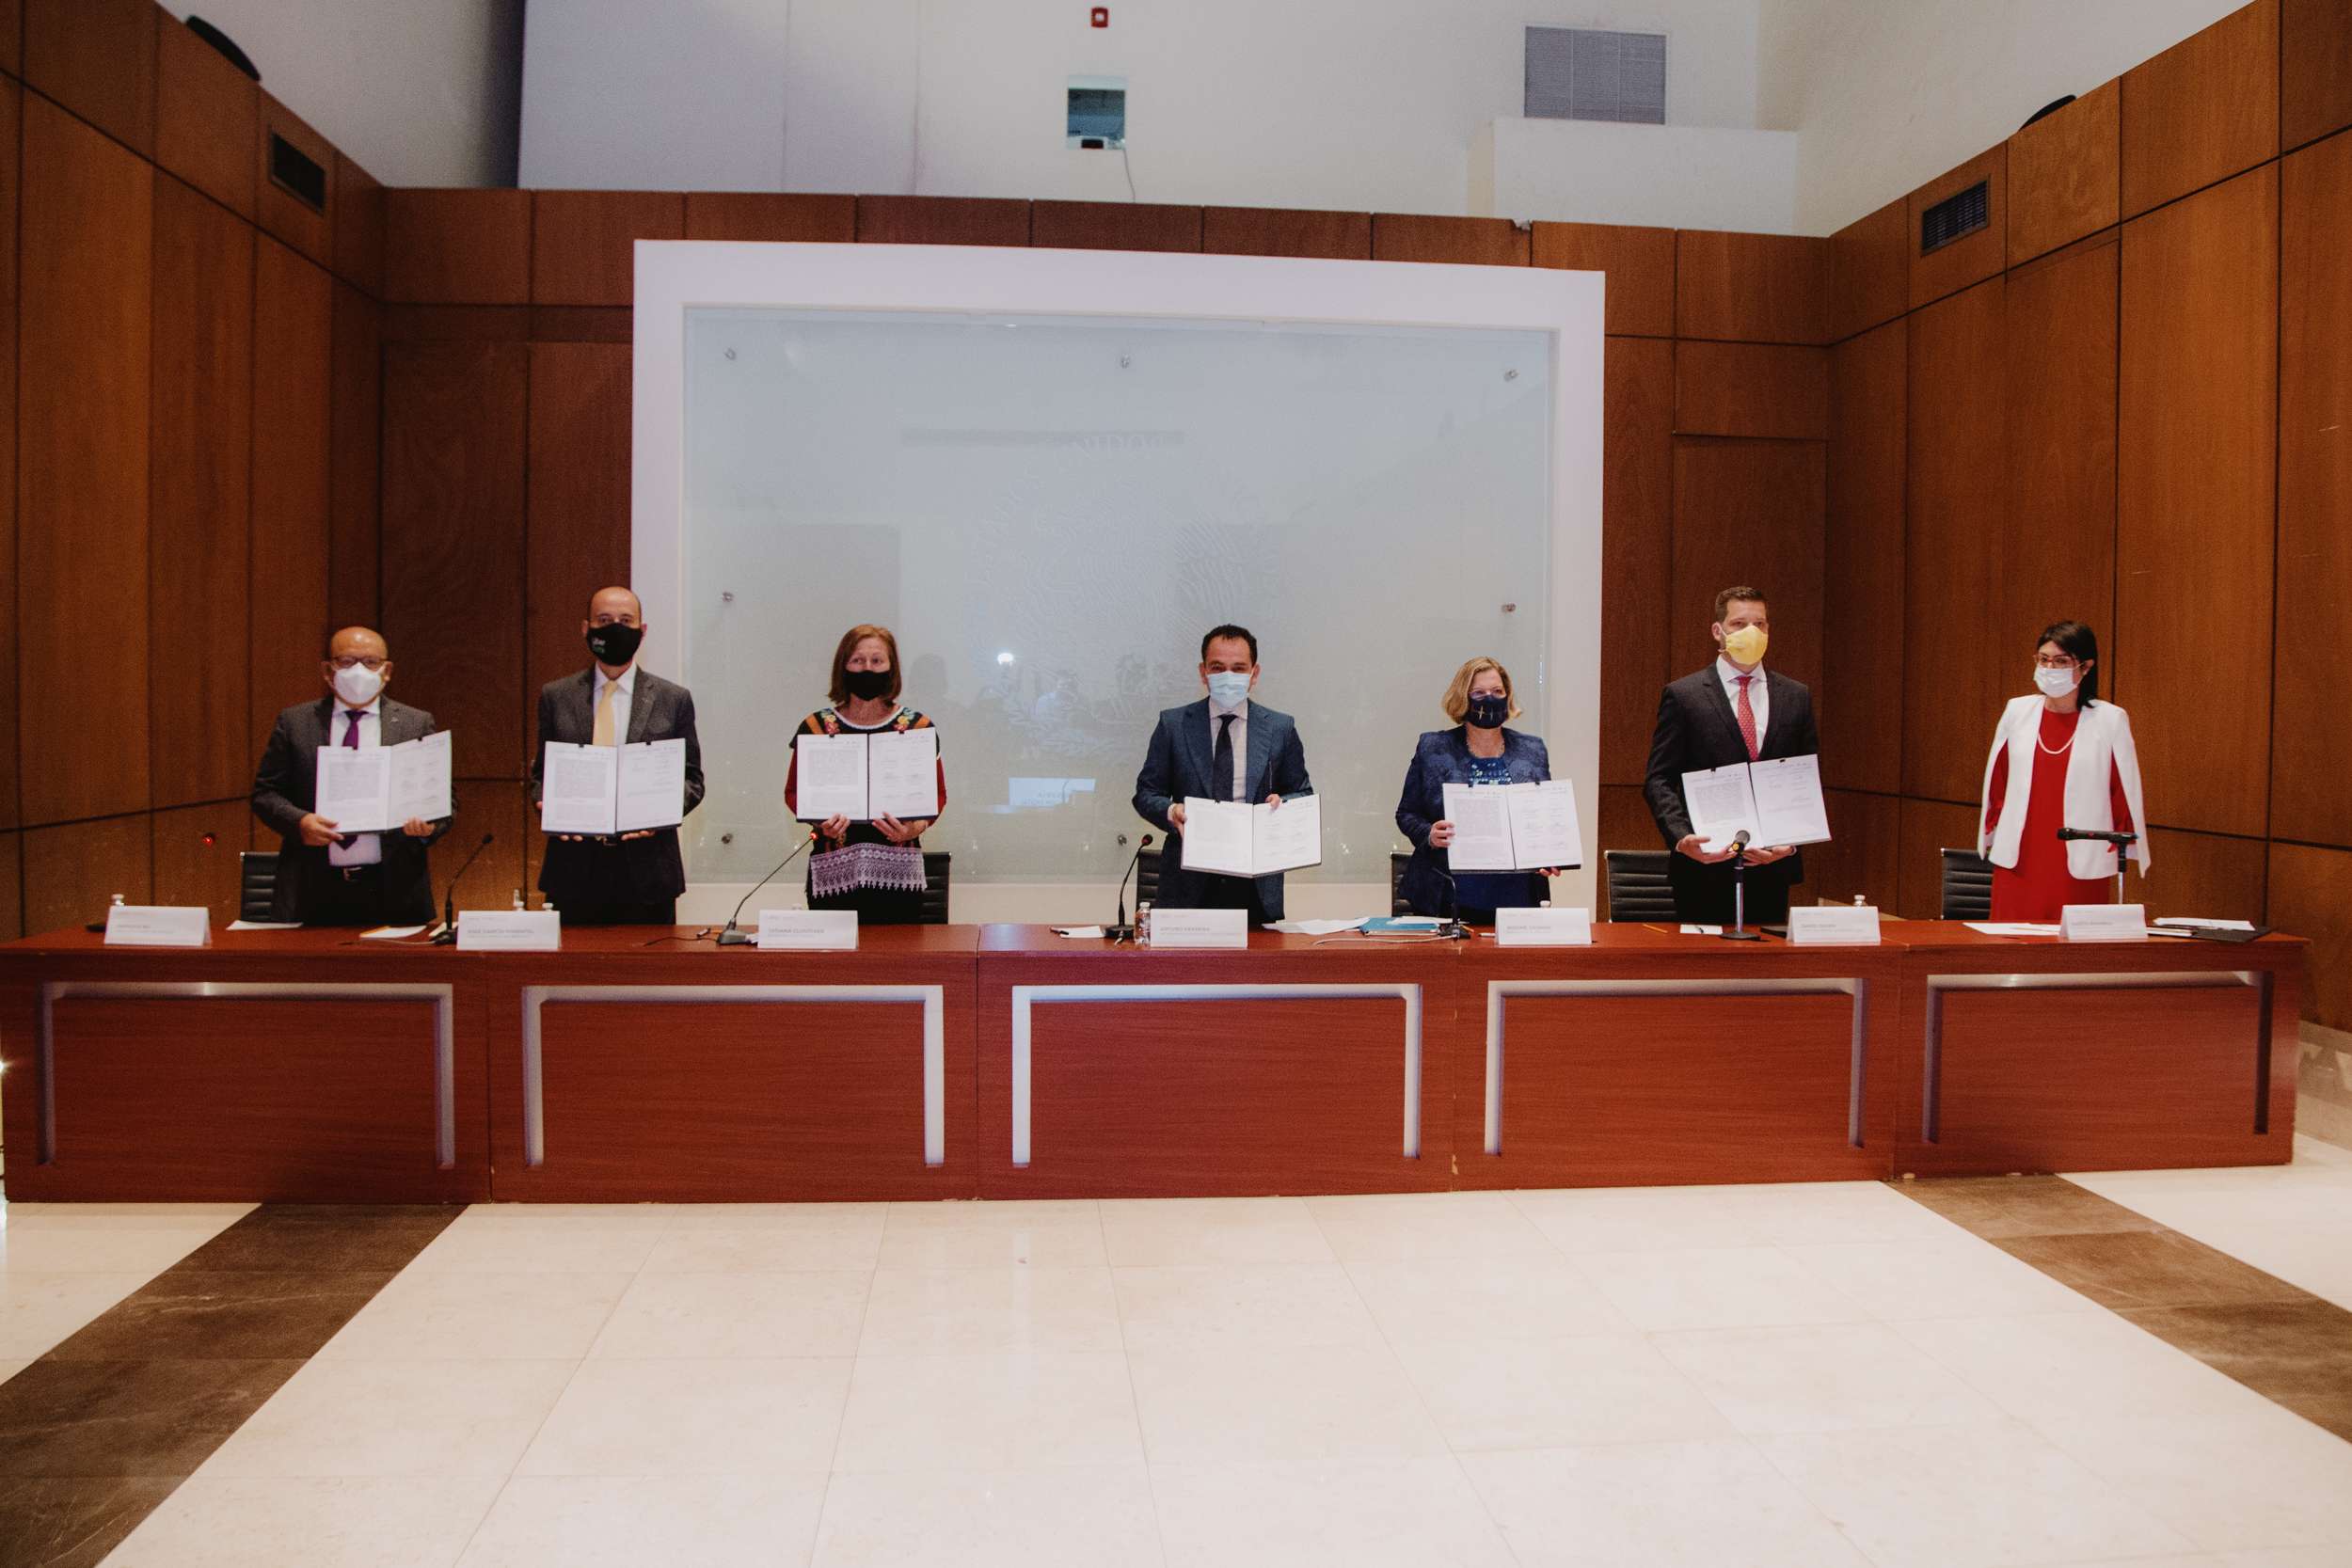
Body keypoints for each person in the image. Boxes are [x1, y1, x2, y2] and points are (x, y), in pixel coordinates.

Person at [1643, 585, 1819, 925]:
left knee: (1766, 975)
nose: (1752, 632)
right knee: (1704, 975)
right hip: (1705, 866)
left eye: (1761, 624)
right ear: (1718, 631)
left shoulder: (1796, 696)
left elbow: (1806, 778)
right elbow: (1659, 778)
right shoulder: (1684, 695)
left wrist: (1793, 843)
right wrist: (1681, 838)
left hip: (1771, 866)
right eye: (1740, 624)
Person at [250, 626, 448, 926]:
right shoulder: (295, 722)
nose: (358, 671)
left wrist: (429, 825)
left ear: (387, 671)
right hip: (313, 888)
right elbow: (265, 793)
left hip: (393, 889)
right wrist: (299, 821)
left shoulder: (415, 723)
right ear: (328, 672)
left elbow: (445, 800)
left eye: (370, 662)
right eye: (346, 661)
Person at [532, 586, 705, 925]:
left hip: (649, 872)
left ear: (642, 631)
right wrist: (546, 804)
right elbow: (541, 777)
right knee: (570, 976)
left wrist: (659, 813)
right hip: (573, 869)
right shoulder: (556, 696)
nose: (615, 628)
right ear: (586, 629)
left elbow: (692, 780)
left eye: (626, 621)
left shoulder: (673, 698)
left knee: (646, 976)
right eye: (604, 620)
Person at [1132, 624, 1313, 924]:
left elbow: (1302, 793)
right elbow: (1146, 794)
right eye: (1218, 668)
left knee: (1254, 971)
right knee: (1186, 972)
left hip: (1254, 884)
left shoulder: (1280, 728)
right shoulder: (1174, 725)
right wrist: (1171, 810)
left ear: (1254, 674)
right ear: (1203, 672)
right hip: (1188, 881)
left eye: (1238, 668)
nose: (1228, 677)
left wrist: (1281, 805)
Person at [1979, 620, 2149, 919]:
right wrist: (1991, 829)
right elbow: (1999, 779)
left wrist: (2123, 843)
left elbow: (2123, 788)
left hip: (2079, 858)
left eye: (2060, 661)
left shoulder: (2110, 719)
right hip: (2020, 854)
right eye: (2043, 659)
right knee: (2009, 948)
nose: (2049, 668)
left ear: (2085, 667)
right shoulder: (2017, 711)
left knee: (2072, 954)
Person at [783, 625, 947, 925]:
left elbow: (937, 794)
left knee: (896, 964)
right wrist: (819, 821)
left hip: (897, 876)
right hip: (835, 871)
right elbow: (794, 791)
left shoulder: (918, 727)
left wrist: (916, 827)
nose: (867, 668)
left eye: (877, 661)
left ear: (891, 668)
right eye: (858, 661)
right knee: (835, 967)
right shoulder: (816, 727)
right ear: (843, 666)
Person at [1394, 657, 1559, 922]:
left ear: (1507, 696)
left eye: (1497, 692)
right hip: (1449, 897)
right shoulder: (1434, 747)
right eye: (1479, 693)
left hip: (1518, 898)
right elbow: (1407, 813)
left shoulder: (1532, 750)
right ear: (1463, 698)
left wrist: (1549, 852)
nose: (1489, 699)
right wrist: (1429, 834)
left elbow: (1543, 818)